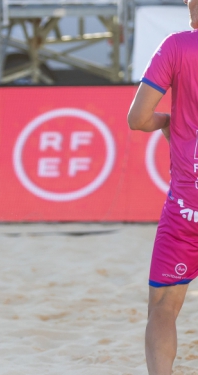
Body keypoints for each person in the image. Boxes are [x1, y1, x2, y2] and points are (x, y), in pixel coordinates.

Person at [127, 1, 198, 373]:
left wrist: (170, 121)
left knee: (163, 308)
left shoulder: (178, 45)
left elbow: (137, 119)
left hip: (188, 207)